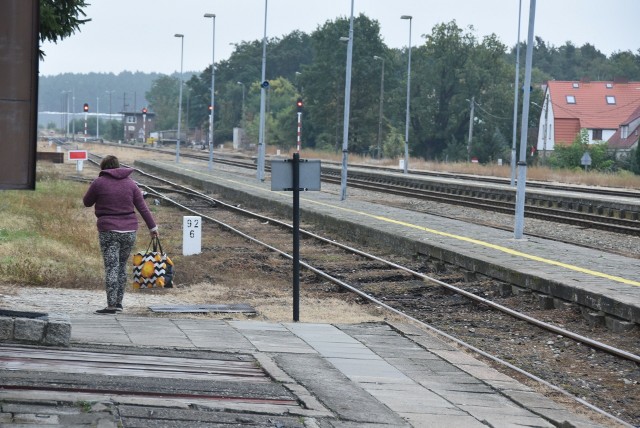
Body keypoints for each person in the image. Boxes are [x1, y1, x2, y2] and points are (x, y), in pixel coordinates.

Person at [83, 155, 158, 314]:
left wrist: (96, 191)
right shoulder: (131, 184)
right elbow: (143, 208)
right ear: (118, 166)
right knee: (122, 266)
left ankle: (111, 305)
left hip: (109, 231)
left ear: (103, 167)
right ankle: (118, 303)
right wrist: (153, 228)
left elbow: (87, 202)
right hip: (129, 231)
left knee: (112, 267)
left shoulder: (99, 183)